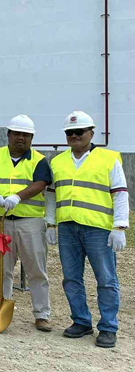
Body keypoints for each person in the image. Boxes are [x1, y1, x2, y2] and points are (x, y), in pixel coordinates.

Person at [47, 111, 128, 348]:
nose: (74, 136)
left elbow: (120, 194)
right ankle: (81, 321)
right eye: (69, 133)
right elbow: (51, 195)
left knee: (105, 279)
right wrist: (50, 222)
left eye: (79, 132)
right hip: (68, 228)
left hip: (98, 229)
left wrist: (120, 226)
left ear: (91, 132)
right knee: (71, 279)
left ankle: (108, 327)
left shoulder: (108, 158)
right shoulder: (58, 161)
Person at [0, 114, 53, 332]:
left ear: (32, 138)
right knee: (2, 268)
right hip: (0, 221)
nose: (21, 138)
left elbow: (40, 183)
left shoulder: (38, 160)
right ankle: (1, 307)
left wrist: (18, 196)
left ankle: (41, 314)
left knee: (36, 269)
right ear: (8, 135)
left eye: (26, 135)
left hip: (29, 222)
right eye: (17, 133)